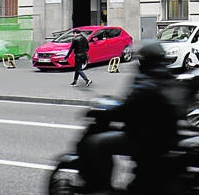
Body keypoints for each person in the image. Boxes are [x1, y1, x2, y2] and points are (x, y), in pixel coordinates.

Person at [77, 40, 181, 193]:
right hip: (166, 137)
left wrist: (104, 114)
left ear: (144, 61)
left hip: (145, 139)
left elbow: (128, 109)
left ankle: (102, 187)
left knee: (96, 144)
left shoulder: (146, 82)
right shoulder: (169, 78)